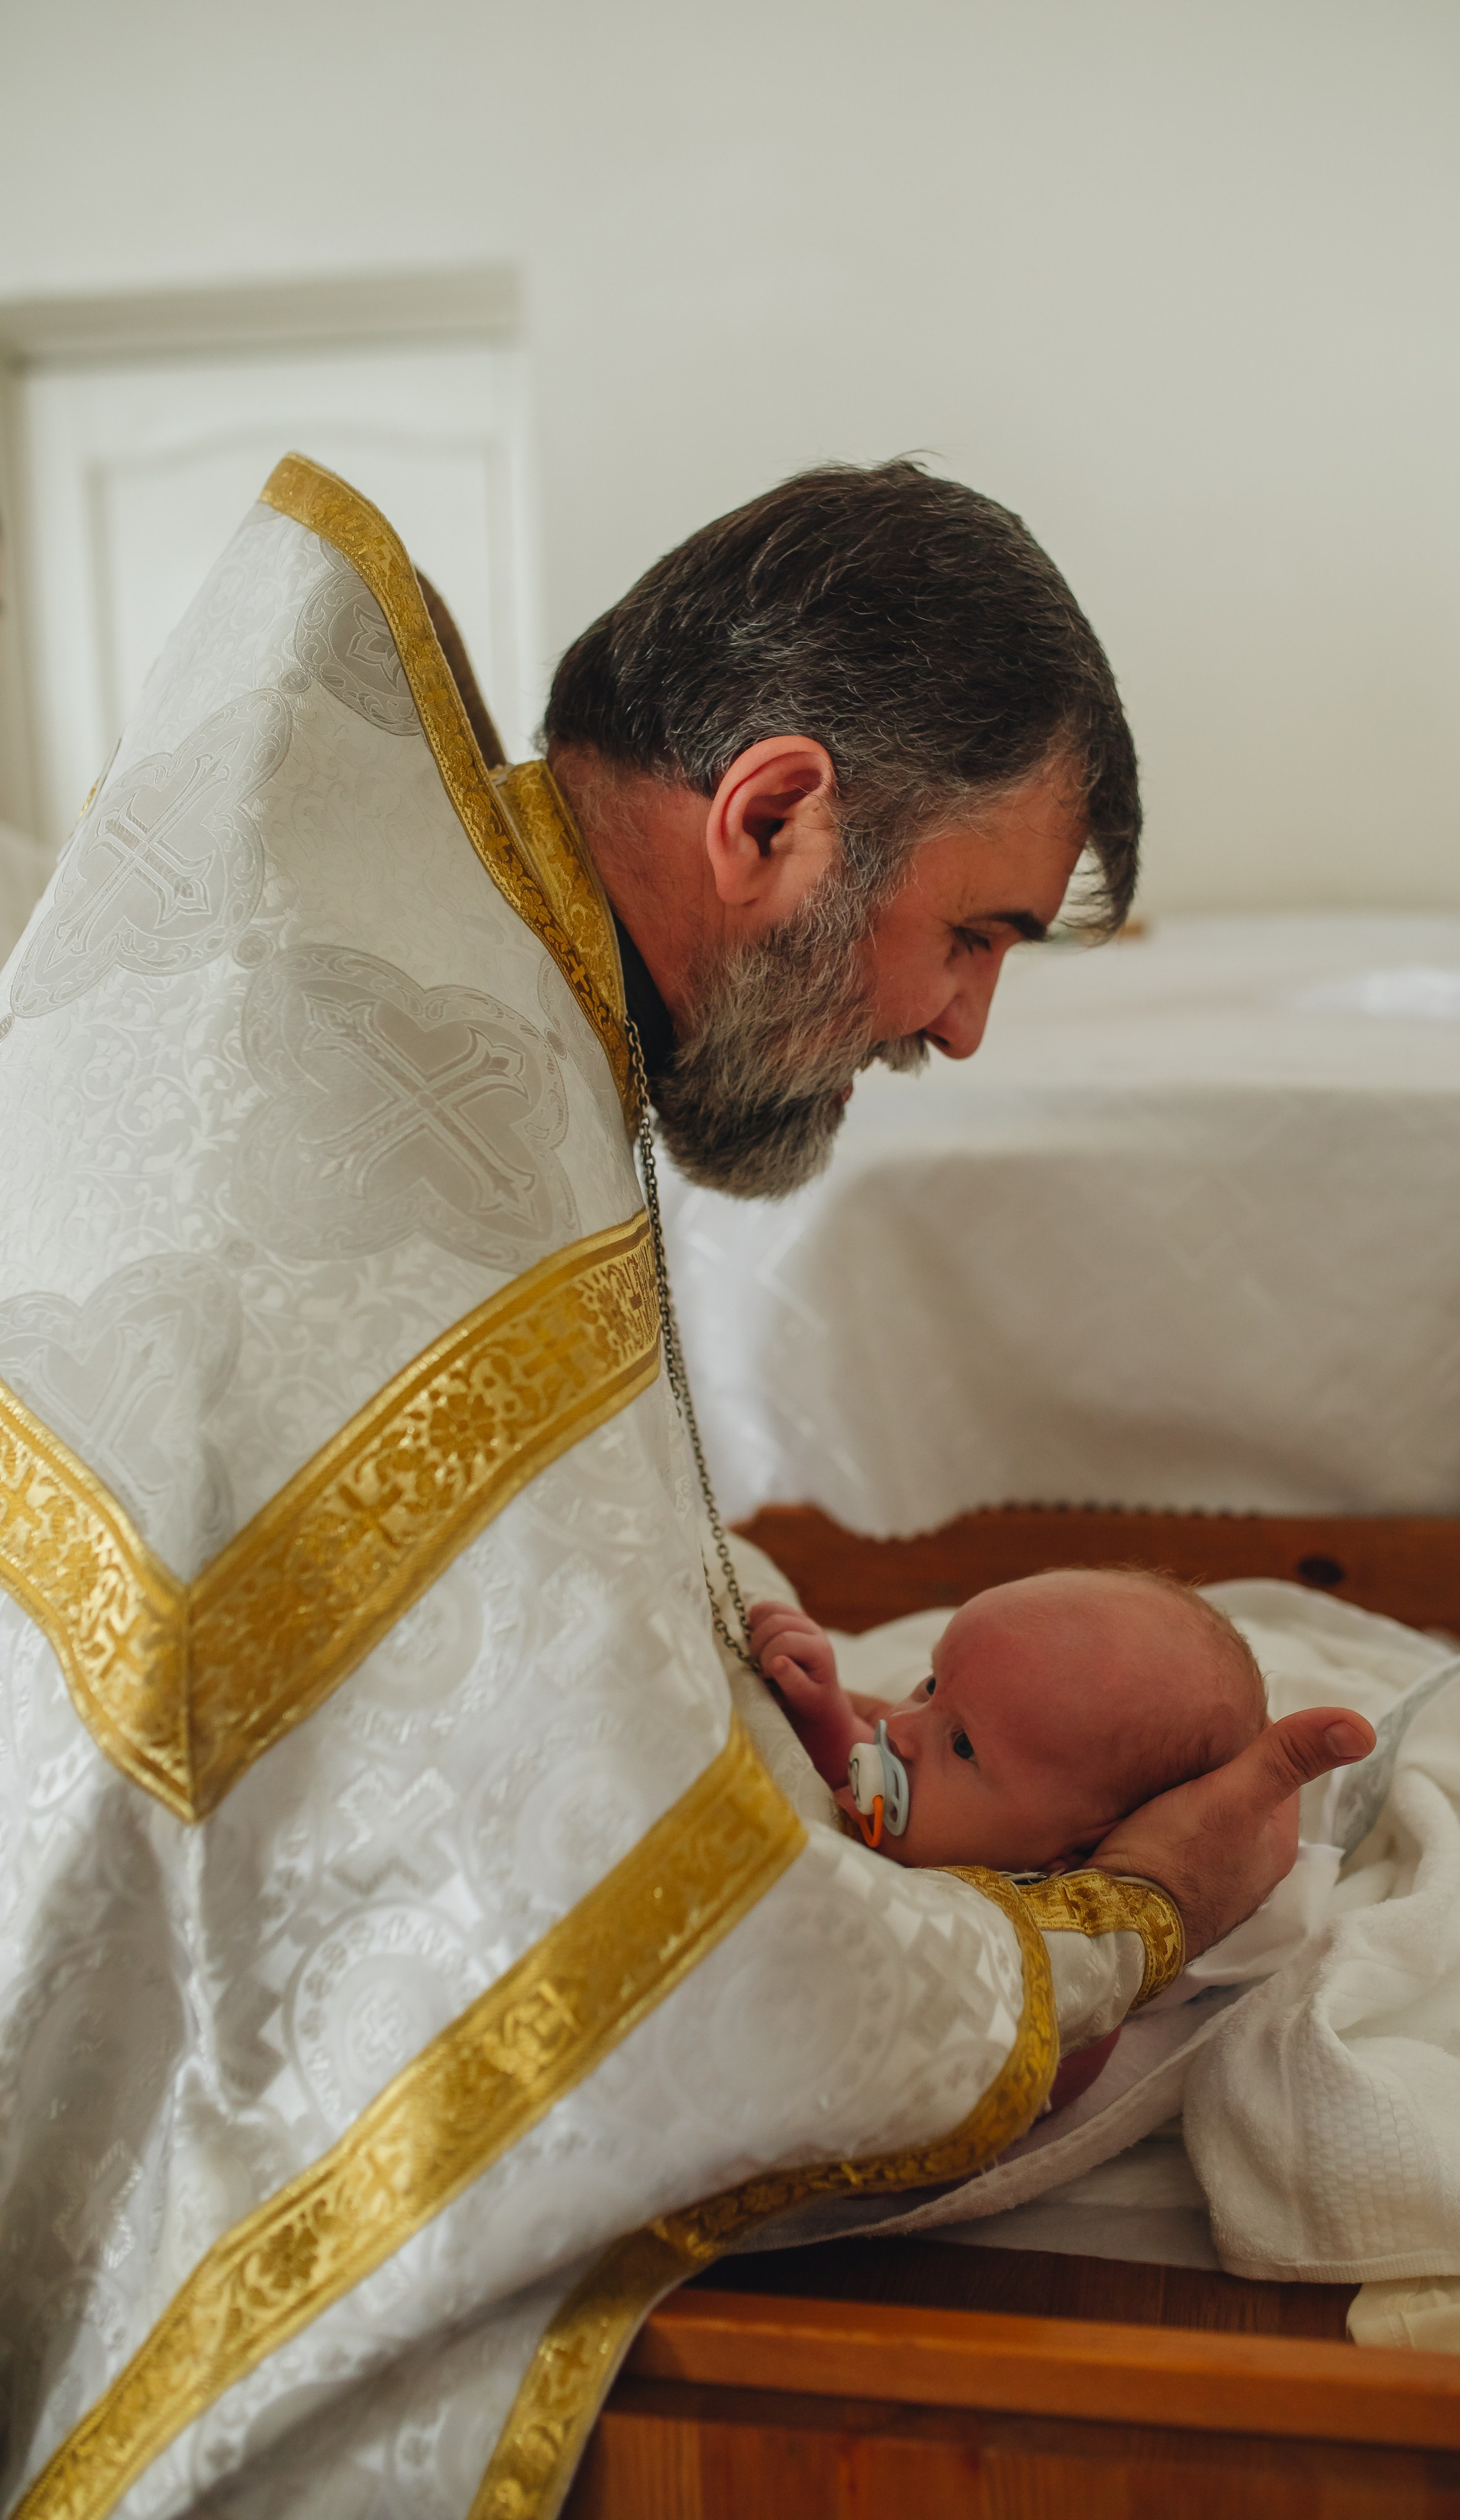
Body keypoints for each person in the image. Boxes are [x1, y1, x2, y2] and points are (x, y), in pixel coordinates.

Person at [0, 454, 1371, 2517]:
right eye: (968, 931)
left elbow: (465, 1535)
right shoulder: (387, 1056)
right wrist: (1139, 1909)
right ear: (772, 814)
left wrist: (706, 1612)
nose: (964, 1025)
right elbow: (697, 1979)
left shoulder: (444, 936)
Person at [751, 1570, 1269, 1874]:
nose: (901, 1729)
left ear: (1070, 1855)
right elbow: (857, 1781)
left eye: (964, 1747)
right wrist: (825, 1718)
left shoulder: (1026, 1941)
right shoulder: (926, 1810)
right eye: (932, 1685)